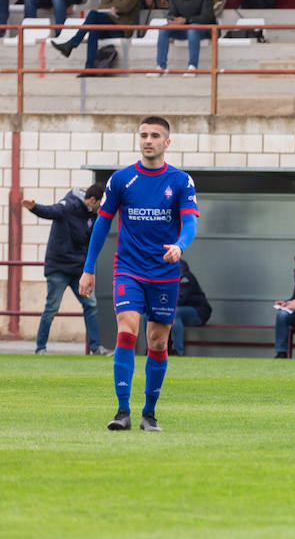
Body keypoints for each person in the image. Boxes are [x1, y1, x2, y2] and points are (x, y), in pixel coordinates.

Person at [78, 116, 198, 431]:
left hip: (164, 272)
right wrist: (88, 269)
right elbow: (102, 224)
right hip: (128, 270)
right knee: (127, 332)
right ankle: (122, 412)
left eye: (155, 135)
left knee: (157, 342)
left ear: (166, 142)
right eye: (143, 134)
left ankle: (149, 414)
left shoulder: (180, 181)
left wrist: (180, 245)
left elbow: (190, 222)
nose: (148, 140)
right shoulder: (121, 180)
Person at [24, 183, 108, 356]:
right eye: (99, 204)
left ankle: (95, 348)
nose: (100, 208)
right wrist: (34, 207)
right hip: (59, 267)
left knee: (91, 305)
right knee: (52, 308)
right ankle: (40, 348)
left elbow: (91, 242)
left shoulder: (91, 216)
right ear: (92, 200)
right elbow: (50, 211)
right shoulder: (68, 205)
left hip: (78, 270)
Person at [50, 0, 141, 71]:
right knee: (93, 30)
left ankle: (72, 44)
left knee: (93, 15)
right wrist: (111, 8)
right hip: (108, 23)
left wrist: (116, 8)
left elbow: (126, 6)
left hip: (121, 26)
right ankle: (89, 67)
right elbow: (102, 6)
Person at [151, 0, 215, 76]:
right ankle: (160, 67)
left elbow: (206, 17)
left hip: (204, 30)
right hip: (183, 29)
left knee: (193, 29)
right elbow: (172, 13)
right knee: (164, 29)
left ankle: (192, 67)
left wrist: (186, 20)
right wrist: (171, 20)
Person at [168, 259, 210, 357]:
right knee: (149, 314)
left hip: (199, 312)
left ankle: (178, 350)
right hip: (179, 311)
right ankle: (151, 349)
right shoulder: (165, 277)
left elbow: (180, 299)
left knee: (174, 313)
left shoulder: (185, 278)